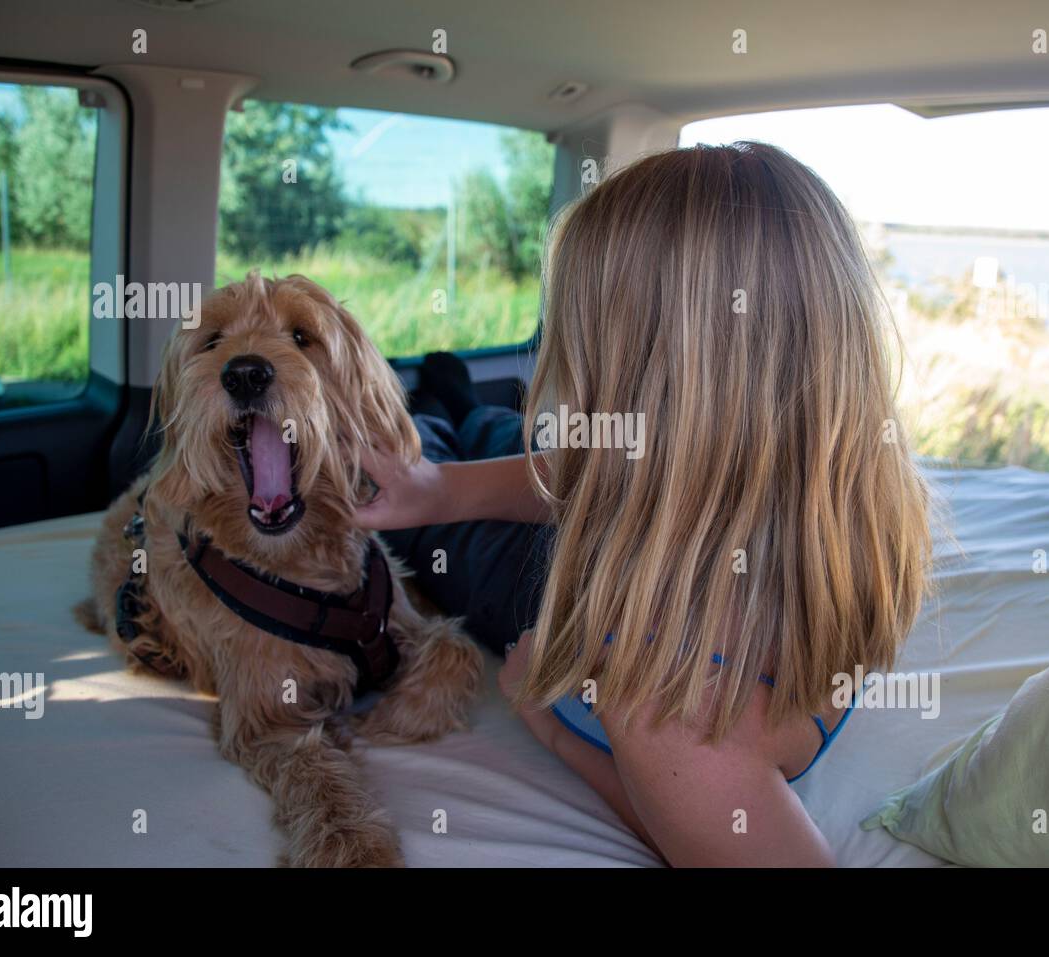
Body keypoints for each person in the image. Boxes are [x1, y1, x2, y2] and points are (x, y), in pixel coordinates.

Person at [361, 142, 931, 866]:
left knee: (437, 501)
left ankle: (443, 411)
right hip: (616, 533)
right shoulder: (838, 511)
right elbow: (616, 464)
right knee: (475, 439)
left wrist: (548, 724)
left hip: (559, 593)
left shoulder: (675, 724)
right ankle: (453, 412)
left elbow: (688, 817)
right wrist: (438, 490)